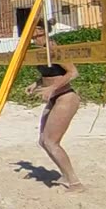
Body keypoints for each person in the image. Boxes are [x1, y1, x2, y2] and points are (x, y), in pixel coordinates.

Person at [25, 21, 85, 193]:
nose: (28, 36)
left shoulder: (54, 48)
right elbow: (50, 74)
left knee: (51, 142)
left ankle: (75, 183)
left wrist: (52, 88)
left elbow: (73, 72)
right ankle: (65, 175)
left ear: (40, 31)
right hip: (55, 97)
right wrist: (36, 84)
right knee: (43, 140)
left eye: (31, 31)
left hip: (66, 97)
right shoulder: (41, 51)